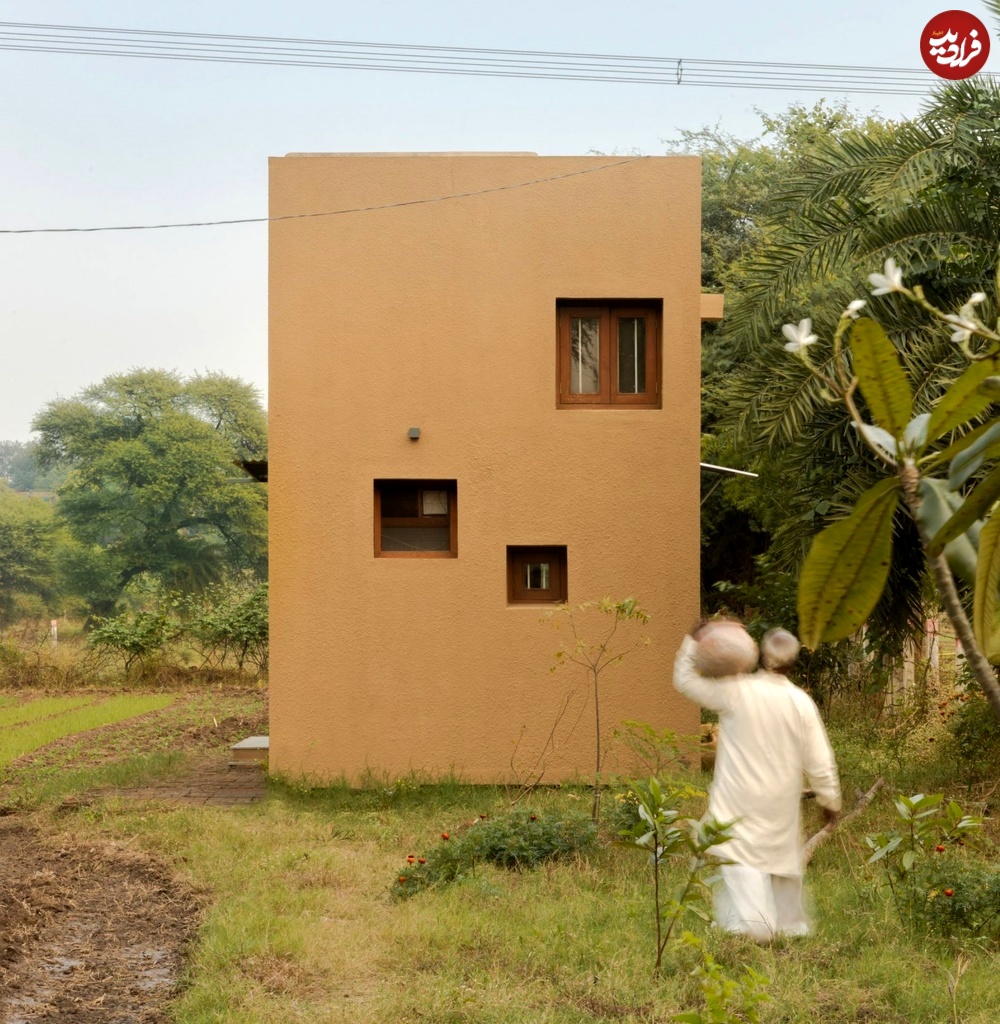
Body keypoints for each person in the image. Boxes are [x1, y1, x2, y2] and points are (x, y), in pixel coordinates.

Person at [673, 623, 841, 942]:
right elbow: (820, 760)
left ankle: (758, 928)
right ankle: (790, 929)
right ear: (793, 663)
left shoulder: (738, 690)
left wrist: (692, 642)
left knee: (740, 859)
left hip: (737, 797)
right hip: (780, 799)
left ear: (763, 657)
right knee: (783, 862)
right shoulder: (801, 703)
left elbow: (685, 680)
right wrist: (829, 802)